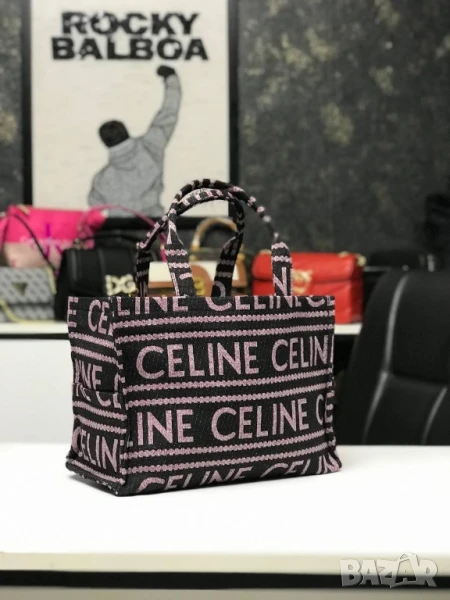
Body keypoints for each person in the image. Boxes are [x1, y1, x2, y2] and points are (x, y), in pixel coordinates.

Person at [88, 66, 181, 215]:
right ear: (126, 132)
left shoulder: (101, 180)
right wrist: (171, 79)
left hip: (119, 228)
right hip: (155, 224)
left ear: (105, 143)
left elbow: (95, 205)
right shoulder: (151, 146)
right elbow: (169, 113)